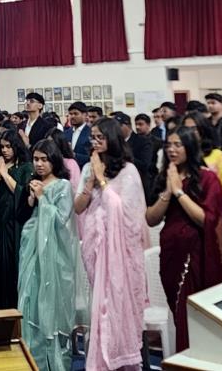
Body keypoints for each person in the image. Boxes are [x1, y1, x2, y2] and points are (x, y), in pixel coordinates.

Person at [146, 127, 222, 351]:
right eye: (169, 145)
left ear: (190, 147)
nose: (172, 150)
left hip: (196, 256)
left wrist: (179, 192)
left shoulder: (207, 178)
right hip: (171, 255)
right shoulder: (165, 177)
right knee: (179, 314)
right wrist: (168, 191)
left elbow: (206, 219)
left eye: (178, 145)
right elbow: (151, 219)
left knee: (192, 318)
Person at [75, 119, 148, 370]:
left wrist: (102, 179)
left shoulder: (128, 171)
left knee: (118, 305)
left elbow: (128, 214)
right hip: (95, 248)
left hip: (122, 253)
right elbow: (78, 208)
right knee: (101, 307)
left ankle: (121, 358)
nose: (95, 142)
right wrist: (90, 181)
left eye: (100, 137)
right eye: (93, 137)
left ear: (112, 139)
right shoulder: (88, 168)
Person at [17, 139, 84, 371]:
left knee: (51, 305)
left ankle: (54, 363)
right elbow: (22, 215)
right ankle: (30, 357)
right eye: (36, 159)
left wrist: (43, 198)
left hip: (55, 256)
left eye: (44, 159)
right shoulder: (33, 183)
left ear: (54, 160)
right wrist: (31, 199)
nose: (39, 164)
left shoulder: (62, 186)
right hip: (32, 251)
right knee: (29, 298)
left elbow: (61, 220)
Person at [0, 129, 33, 309]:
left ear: (16, 147)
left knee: (13, 263)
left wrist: (5, 174)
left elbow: (23, 193)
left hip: (16, 222)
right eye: (2, 147)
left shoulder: (26, 167)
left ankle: (15, 306)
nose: (4, 150)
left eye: (8, 147)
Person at [63, 102, 91, 169]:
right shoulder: (65, 133)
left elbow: (92, 158)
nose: (72, 116)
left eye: (76, 114)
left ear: (85, 115)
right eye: (70, 114)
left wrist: (74, 155)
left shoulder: (91, 133)